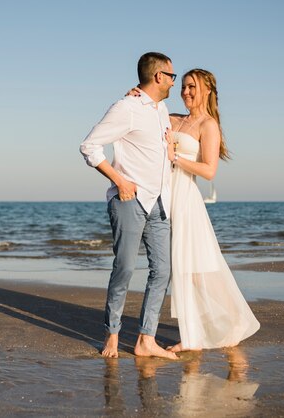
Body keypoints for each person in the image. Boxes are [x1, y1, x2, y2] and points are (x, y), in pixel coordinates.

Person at [79, 52, 178, 359]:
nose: (174, 81)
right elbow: (89, 146)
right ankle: (111, 335)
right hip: (129, 200)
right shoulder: (126, 108)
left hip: (160, 202)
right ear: (159, 76)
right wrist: (119, 180)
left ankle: (146, 340)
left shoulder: (162, 109)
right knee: (124, 269)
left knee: (162, 270)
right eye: (172, 76)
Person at [164, 69, 260, 351]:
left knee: (196, 268)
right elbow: (148, 111)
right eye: (183, 86)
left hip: (186, 199)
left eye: (192, 87)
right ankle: (194, 335)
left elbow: (209, 170)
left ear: (207, 90)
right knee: (182, 268)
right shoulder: (172, 119)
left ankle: (231, 321)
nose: (185, 92)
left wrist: (176, 158)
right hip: (166, 198)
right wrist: (134, 92)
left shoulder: (208, 125)